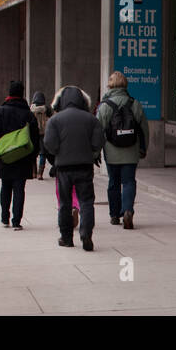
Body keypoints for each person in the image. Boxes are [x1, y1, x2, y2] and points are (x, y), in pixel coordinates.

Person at [44, 85, 105, 249]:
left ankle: (66, 237)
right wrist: (90, 153)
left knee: (65, 202)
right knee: (86, 201)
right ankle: (86, 234)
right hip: (84, 166)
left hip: (63, 167)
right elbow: (98, 142)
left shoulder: (55, 120)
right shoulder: (91, 120)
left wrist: (58, 153)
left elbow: (49, 143)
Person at [96, 71, 149, 229]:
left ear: (110, 85)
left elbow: (97, 131)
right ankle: (127, 210)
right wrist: (143, 147)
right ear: (125, 85)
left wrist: (95, 152)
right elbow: (144, 129)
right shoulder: (135, 104)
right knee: (128, 182)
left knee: (113, 183)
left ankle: (114, 215)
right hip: (131, 151)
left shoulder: (105, 106)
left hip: (111, 152)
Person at [0, 80, 40, 230]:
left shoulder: (1, 111)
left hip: (5, 155)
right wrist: (33, 156)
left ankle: (5, 217)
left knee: (5, 186)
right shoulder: (28, 114)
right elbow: (35, 138)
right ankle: (17, 221)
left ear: (9, 93)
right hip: (23, 157)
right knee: (19, 188)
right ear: (22, 94)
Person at [30, 91, 51, 180]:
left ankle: (33, 172)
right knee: (43, 153)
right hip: (44, 134)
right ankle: (40, 174)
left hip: (33, 134)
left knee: (33, 153)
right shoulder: (47, 109)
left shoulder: (31, 109)